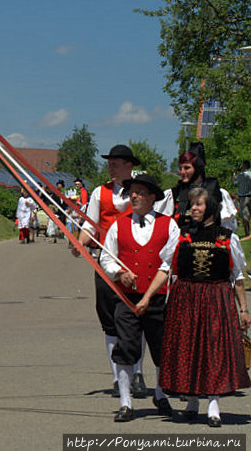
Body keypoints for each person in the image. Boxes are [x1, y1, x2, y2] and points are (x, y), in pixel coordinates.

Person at [157, 187, 250, 427]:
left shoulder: (227, 237)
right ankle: (192, 402)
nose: (193, 208)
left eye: (198, 204)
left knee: (213, 349)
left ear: (210, 208)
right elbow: (166, 267)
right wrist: (148, 297)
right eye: (192, 204)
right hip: (186, 298)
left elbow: (237, 275)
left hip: (216, 297)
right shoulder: (182, 235)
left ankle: (213, 404)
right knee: (189, 348)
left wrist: (244, 309)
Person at [99, 174, 179, 422]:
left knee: (161, 348)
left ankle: (160, 393)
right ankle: (126, 401)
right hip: (126, 300)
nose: (133, 196)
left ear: (153, 197)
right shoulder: (119, 225)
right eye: (131, 192)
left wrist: (151, 295)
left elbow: (170, 262)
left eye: (139, 192)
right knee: (126, 348)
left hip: (158, 300)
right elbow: (105, 257)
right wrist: (119, 272)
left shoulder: (169, 225)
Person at [73, 144, 148, 399]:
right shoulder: (99, 193)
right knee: (110, 322)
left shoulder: (143, 192)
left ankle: (137, 372)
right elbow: (90, 226)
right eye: (109, 163)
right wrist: (80, 243)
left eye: (115, 163)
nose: (110, 167)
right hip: (105, 265)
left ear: (129, 166)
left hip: (135, 266)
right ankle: (118, 377)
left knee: (136, 319)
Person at [157, 143, 237, 231]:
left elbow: (228, 228)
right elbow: (163, 227)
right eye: (180, 168)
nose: (182, 172)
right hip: (183, 242)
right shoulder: (173, 194)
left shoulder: (217, 192)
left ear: (197, 168)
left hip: (210, 242)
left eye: (187, 168)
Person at [232, 159, 251, 236]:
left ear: (244, 166)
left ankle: (247, 234)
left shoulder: (241, 175)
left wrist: (235, 173)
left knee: (245, 216)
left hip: (244, 197)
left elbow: (234, 182)